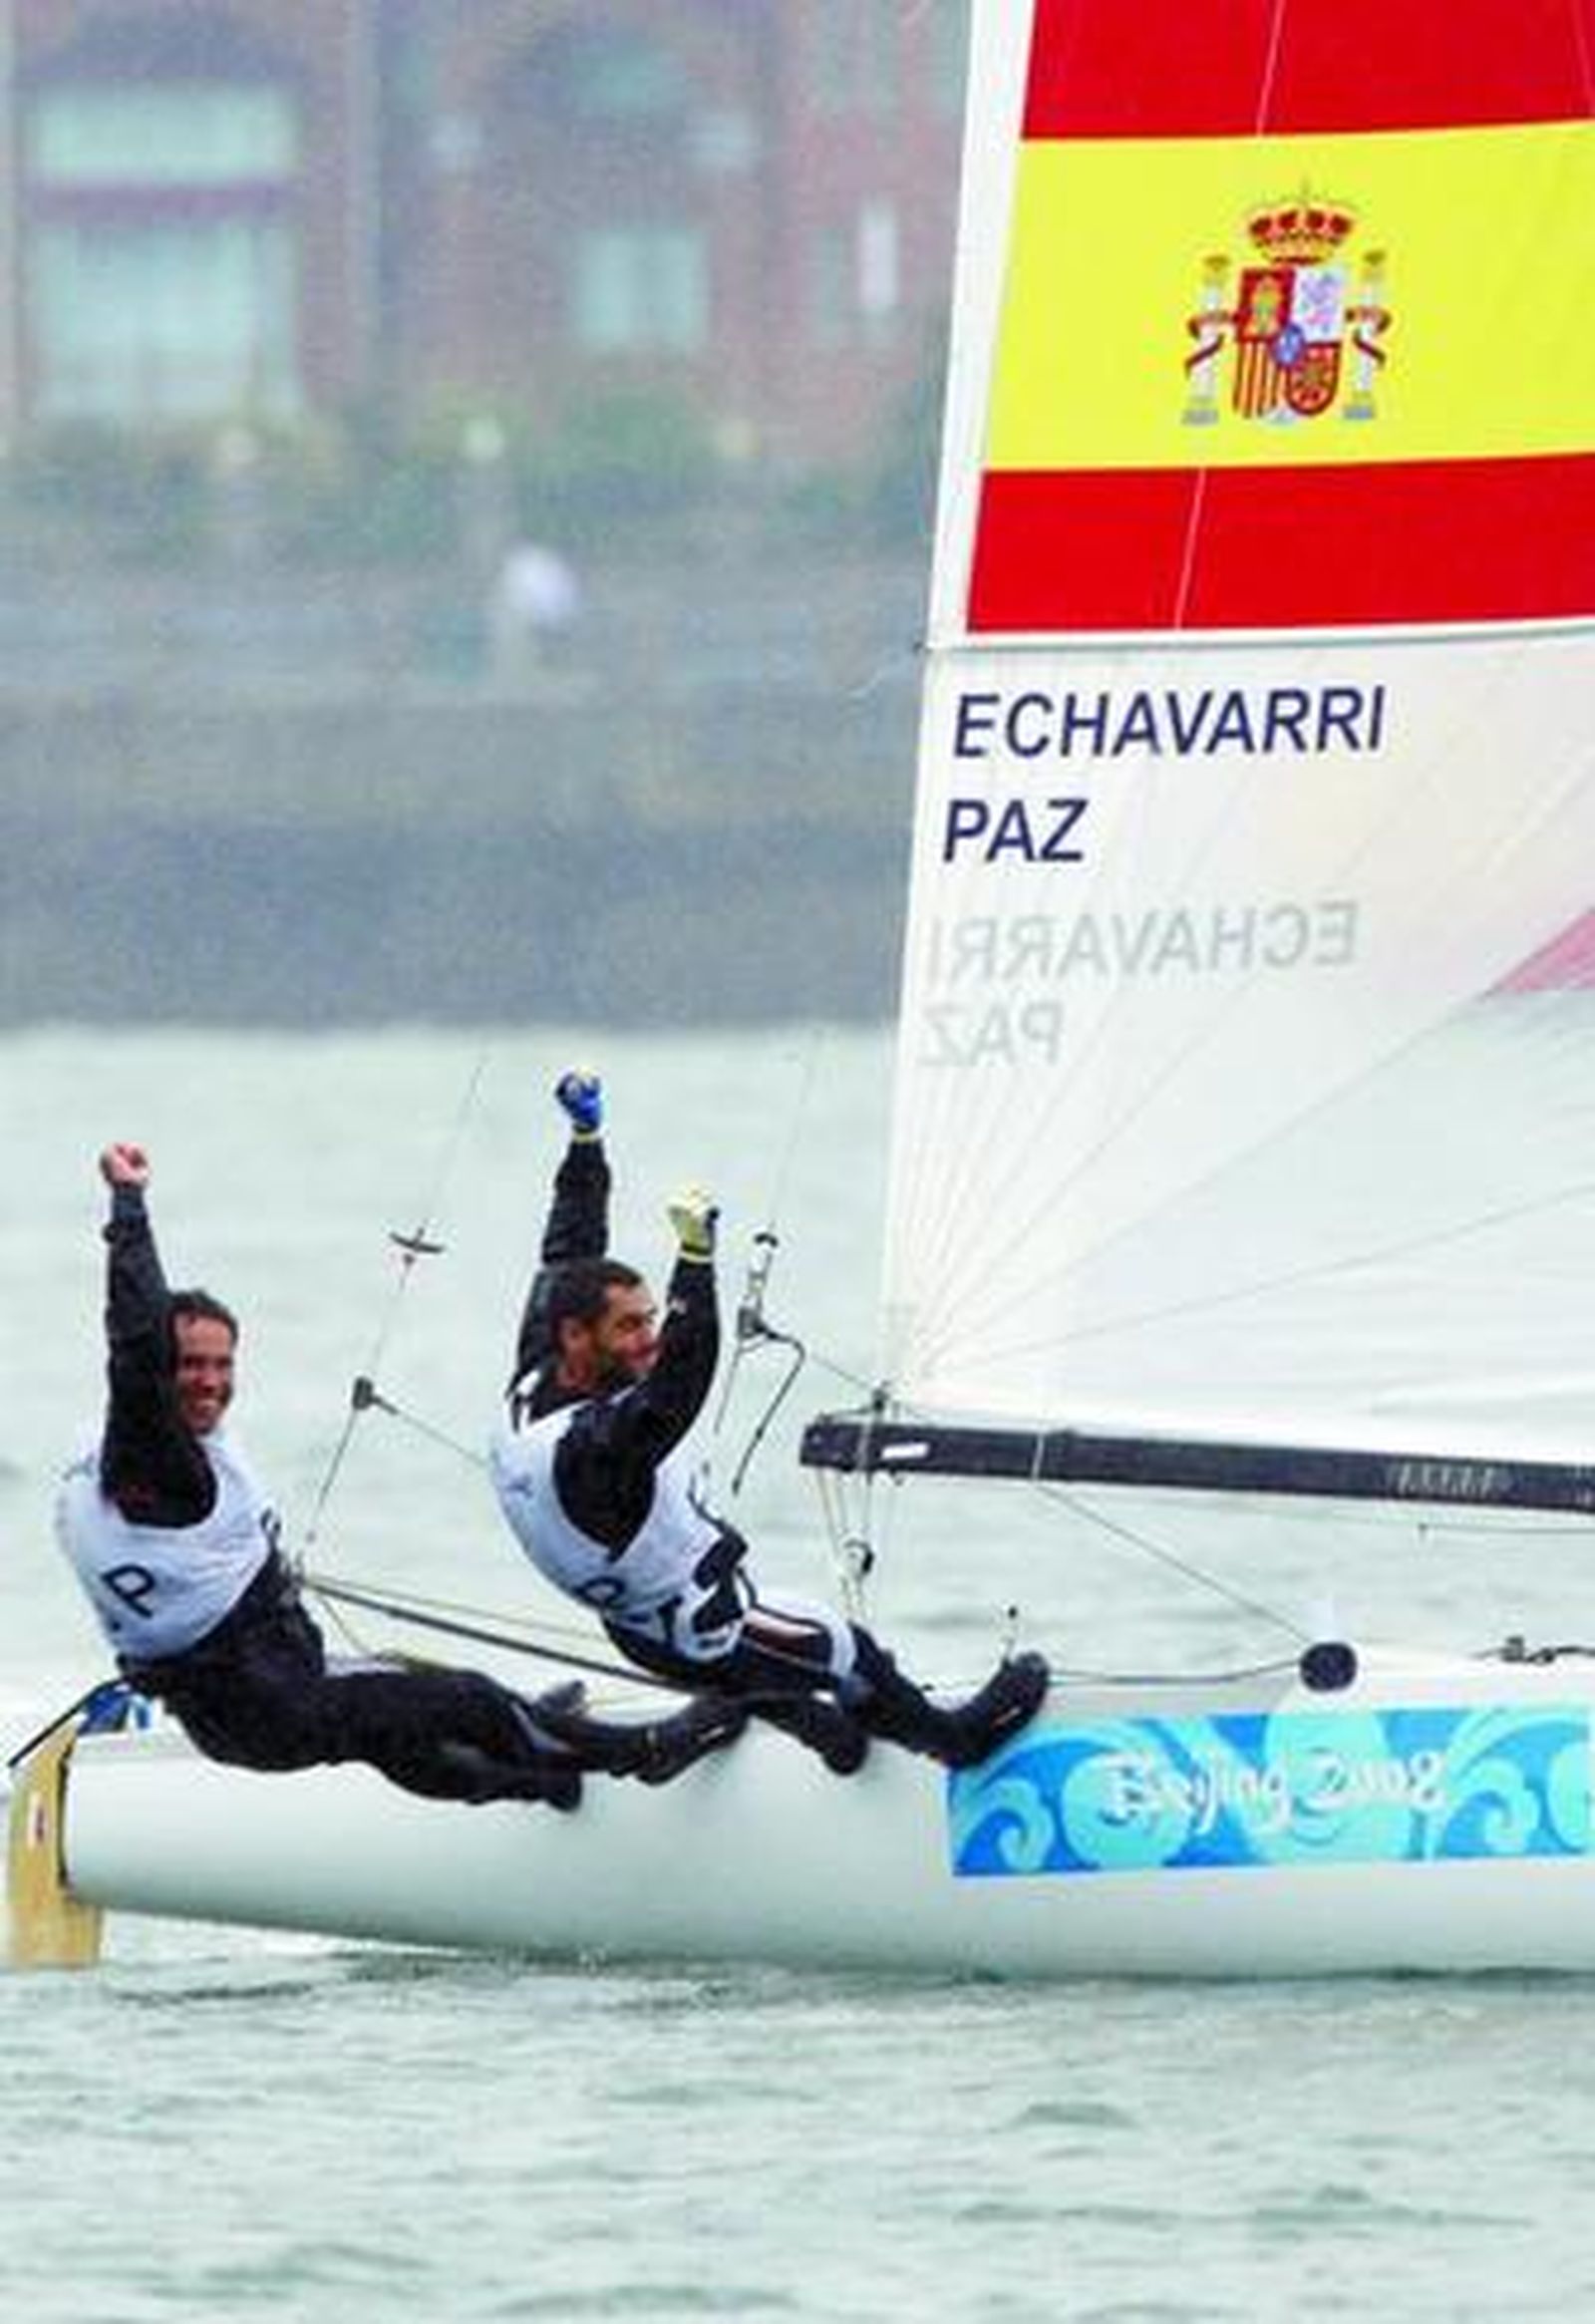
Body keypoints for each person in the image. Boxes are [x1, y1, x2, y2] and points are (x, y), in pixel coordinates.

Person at [57, 1143, 746, 1811]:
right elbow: (137, 1347)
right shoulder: (160, 1465)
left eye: (222, 1364)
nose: (210, 1381)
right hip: (268, 1698)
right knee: (466, 1700)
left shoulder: (112, 1459)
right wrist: (130, 1209)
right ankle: (641, 1750)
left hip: (237, 1712)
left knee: (395, 1731)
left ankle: (536, 1783)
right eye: (191, 1366)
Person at [488, 1072, 1051, 1774]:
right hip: (705, 1632)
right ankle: (955, 1741)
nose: (648, 1338)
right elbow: (677, 1388)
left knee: (814, 1710)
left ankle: (829, 1739)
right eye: (629, 1326)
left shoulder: (540, 1371)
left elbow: (567, 1247)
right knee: (847, 1649)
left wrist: (586, 1140)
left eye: (652, 1319)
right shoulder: (589, 1452)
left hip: (639, 1627)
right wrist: (695, 1261)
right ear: (578, 1336)